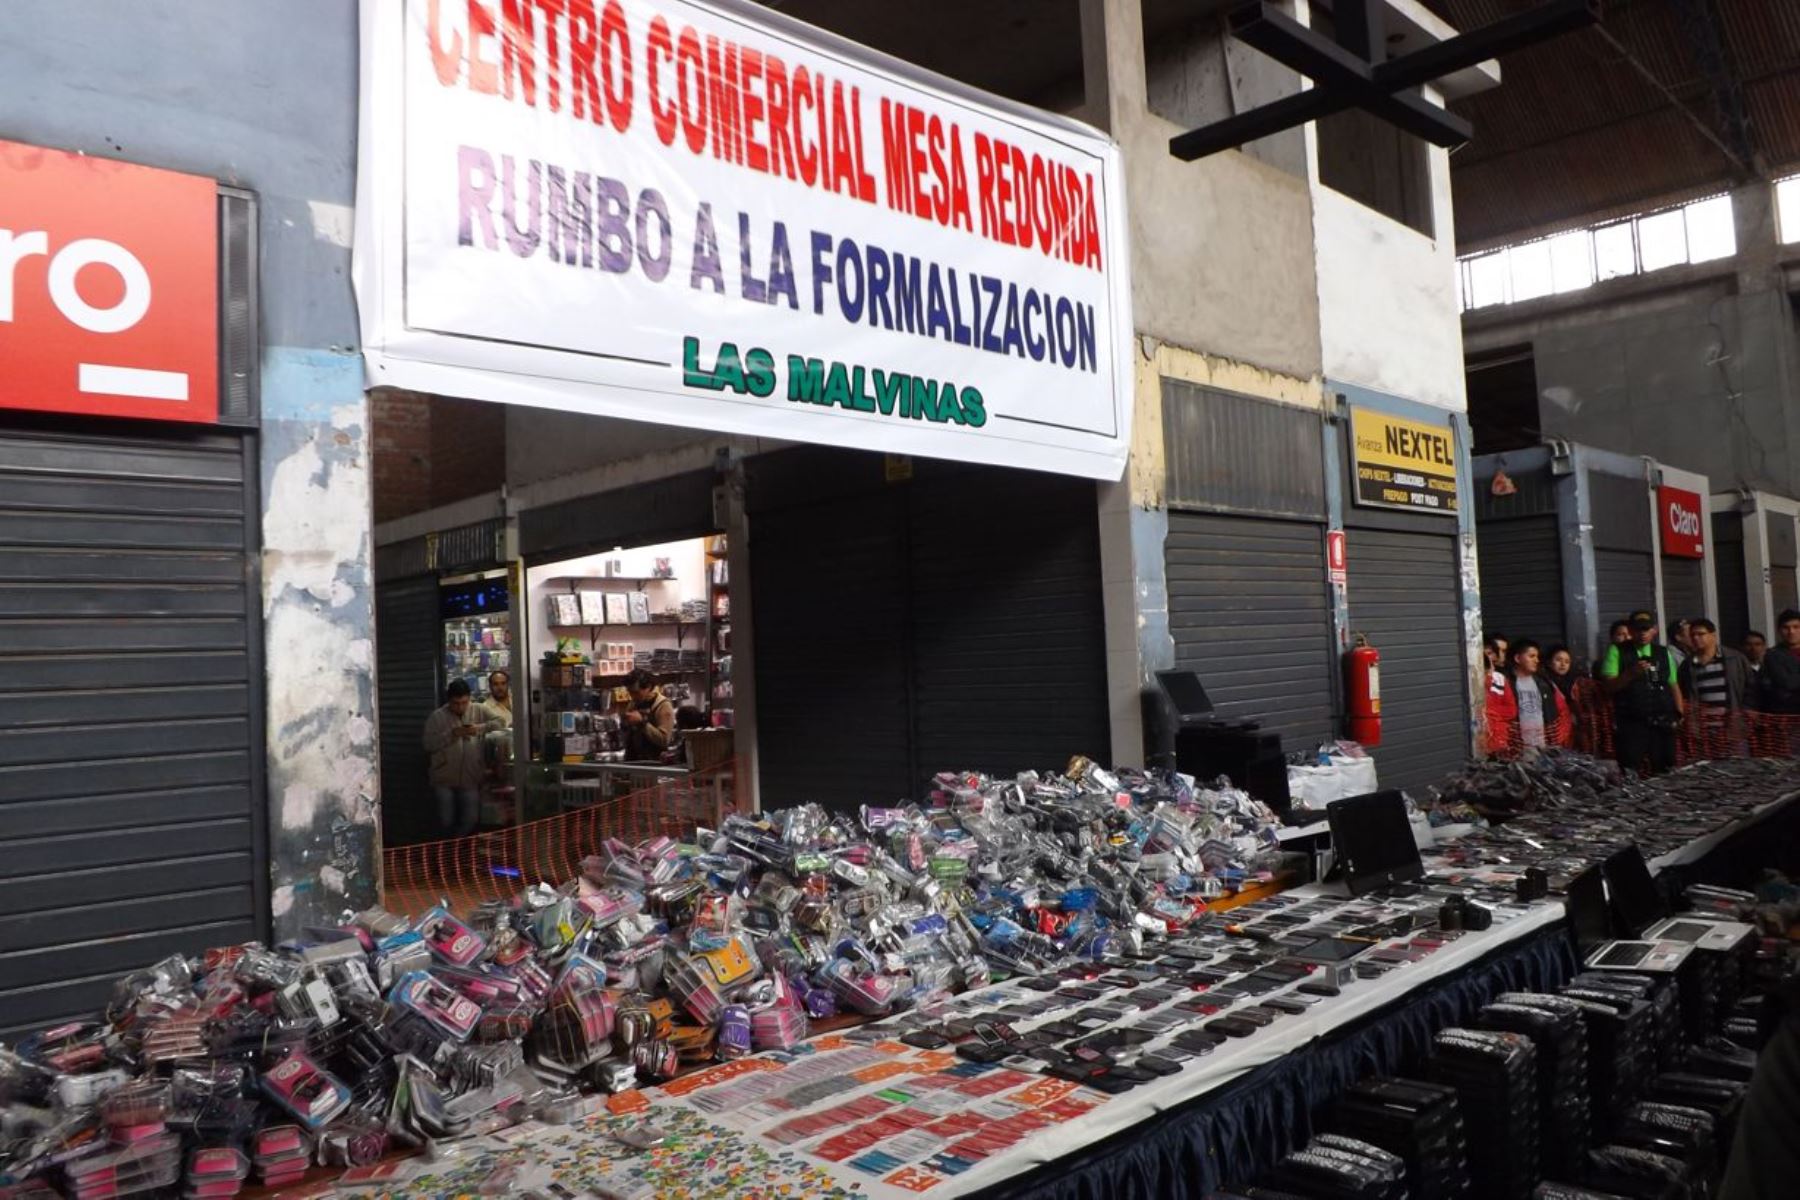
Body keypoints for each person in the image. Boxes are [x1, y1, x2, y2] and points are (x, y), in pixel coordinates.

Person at [1597, 609, 1685, 774]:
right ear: (1630, 631)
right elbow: (1608, 687)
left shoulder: (1663, 653)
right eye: (1638, 629)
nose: (1643, 634)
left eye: (1647, 629)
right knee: (1630, 770)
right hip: (1632, 722)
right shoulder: (1617, 651)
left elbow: (1673, 685)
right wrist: (1630, 674)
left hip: (1662, 721)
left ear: (1655, 630)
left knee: (1667, 770)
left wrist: (1679, 713)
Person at [422, 680, 503, 837]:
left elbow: (500, 721)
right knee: (446, 821)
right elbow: (428, 744)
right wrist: (452, 734)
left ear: (469, 699)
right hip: (443, 779)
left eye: (464, 703)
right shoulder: (437, 717)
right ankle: (445, 853)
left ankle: (459, 850)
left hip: (470, 778)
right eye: (456, 703)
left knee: (471, 820)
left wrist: (479, 728)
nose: (460, 707)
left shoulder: (478, 710)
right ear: (449, 700)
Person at [1487, 639, 1564, 751]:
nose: (1536, 660)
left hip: (1543, 749)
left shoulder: (1544, 683)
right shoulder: (1504, 683)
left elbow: (1552, 717)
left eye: (1537, 657)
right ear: (1517, 658)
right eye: (1531, 656)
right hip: (1515, 750)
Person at [621, 668, 676, 761]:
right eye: (630, 692)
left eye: (636, 692)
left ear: (648, 687)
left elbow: (664, 740)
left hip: (654, 764)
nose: (632, 696)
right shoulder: (634, 703)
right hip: (634, 762)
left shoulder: (662, 705)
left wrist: (642, 723)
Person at [1757, 610, 1800, 714]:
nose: (1791, 632)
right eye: (1786, 628)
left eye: (1796, 627)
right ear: (1779, 630)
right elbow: (1787, 683)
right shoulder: (1773, 655)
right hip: (1790, 715)